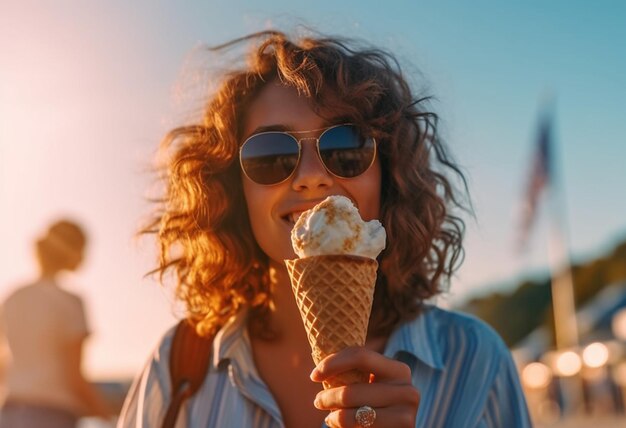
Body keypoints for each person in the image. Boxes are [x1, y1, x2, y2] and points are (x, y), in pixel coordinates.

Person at [118, 31, 531, 427]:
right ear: (232, 188)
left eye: (346, 147)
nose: (311, 176)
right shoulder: (178, 365)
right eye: (271, 154)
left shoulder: (474, 361)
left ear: (389, 177)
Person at [0, 220, 112, 427]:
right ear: (72, 252)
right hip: (52, 416)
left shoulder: (12, 298)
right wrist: (111, 419)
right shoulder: (70, 302)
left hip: (8, 414)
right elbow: (75, 378)